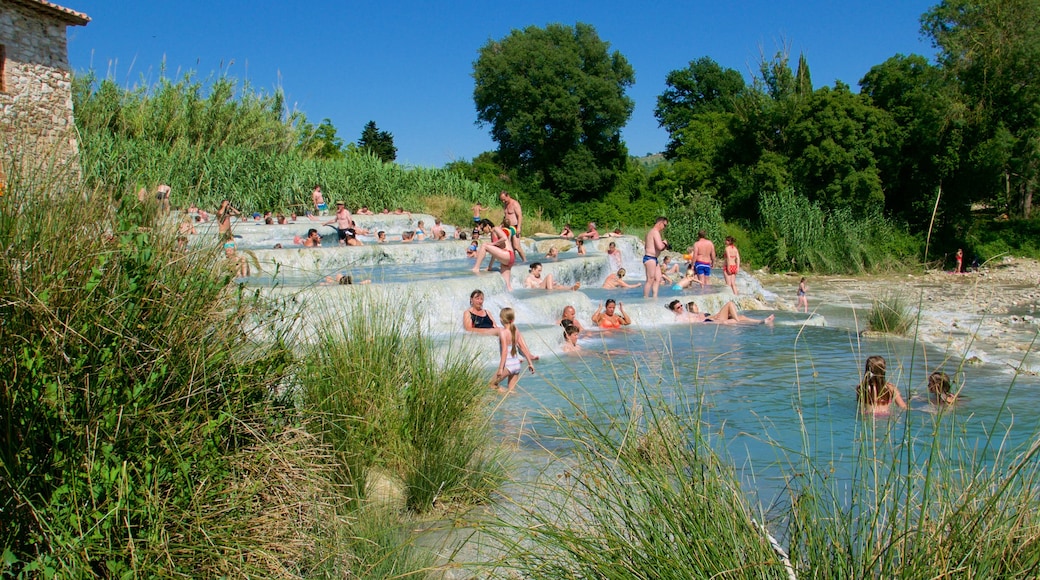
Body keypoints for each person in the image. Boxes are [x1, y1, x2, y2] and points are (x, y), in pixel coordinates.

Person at [492, 308, 538, 393]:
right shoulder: (515, 329)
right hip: (516, 364)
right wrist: (530, 363)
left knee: (492, 385)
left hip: (508, 365)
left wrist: (500, 368)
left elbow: (505, 351)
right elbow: (523, 348)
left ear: (501, 319)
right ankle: (517, 405)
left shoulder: (503, 332)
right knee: (512, 391)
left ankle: (503, 397)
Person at [470, 218, 516, 291]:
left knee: (484, 245)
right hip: (508, 259)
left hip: (507, 254)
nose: (482, 230)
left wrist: (493, 243)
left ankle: (476, 268)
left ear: (488, 225)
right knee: (507, 286)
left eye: (483, 228)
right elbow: (495, 254)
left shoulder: (495, 229)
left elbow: (504, 238)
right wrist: (490, 267)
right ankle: (510, 301)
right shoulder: (493, 233)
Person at [668, 299, 774, 325]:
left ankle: (761, 321)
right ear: (674, 310)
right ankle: (738, 322)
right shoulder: (679, 318)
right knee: (729, 304)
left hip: (711, 319)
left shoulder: (686, 313)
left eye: (681, 305)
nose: (681, 308)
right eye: (678, 307)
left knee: (741, 316)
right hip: (709, 322)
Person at [643, 216, 669, 298]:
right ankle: (645, 297)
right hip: (650, 258)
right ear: (660, 223)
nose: (664, 227)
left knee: (658, 278)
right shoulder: (655, 232)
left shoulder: (650, 232)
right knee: (650, 279)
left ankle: (655, 297)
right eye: (664, 225)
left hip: (654, 259)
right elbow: (660, 247)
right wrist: (665, 243)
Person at [499, 190, 526, 262]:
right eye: (502, 200)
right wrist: (501, 225)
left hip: (515, 226)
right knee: (510, 247)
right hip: (507, 227)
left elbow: (520, 216)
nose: (503, 202)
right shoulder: (505, 205)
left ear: (508, 196)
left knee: (516, 246)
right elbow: (505, 216)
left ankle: (525, 260)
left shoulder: (515, 204)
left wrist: (519, 227)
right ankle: (513, 261)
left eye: (504, 200)